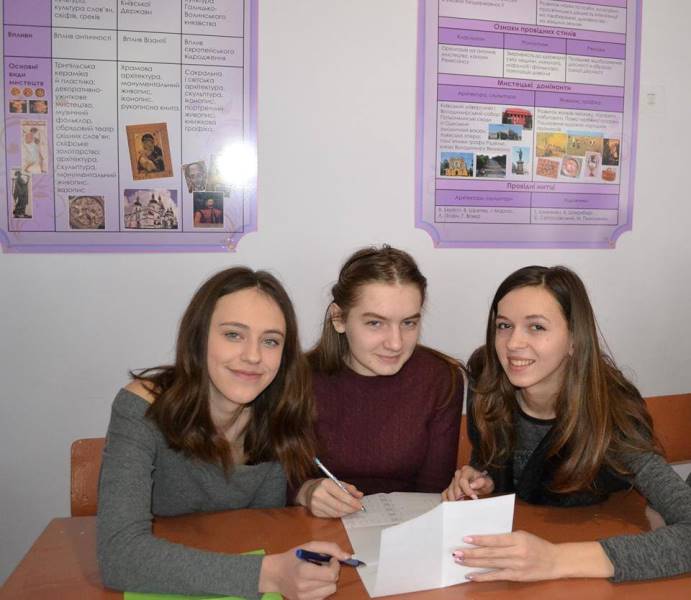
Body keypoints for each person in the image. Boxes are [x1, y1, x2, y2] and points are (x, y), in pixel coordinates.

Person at [97, 267, 350, 598]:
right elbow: (119, 556)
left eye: (270, 341)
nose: (253, 356)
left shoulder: (283, 406)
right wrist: (268, 576)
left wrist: (306, 489)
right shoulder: (143, 408)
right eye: (233, 335)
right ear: (198, 337)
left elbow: (283, 506)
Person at [442, 265, 691, 583]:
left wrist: (555, 560)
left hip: (588, 569)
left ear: (574, 340)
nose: (513, 343)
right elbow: (501, 462)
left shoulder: (612, 415)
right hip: (510, 564)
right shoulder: (487, 380)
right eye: (504, 325)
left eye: (536, 327)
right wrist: (484, 478)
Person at [295, 246, 464, 517]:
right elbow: (275, 482)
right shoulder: (299, 379)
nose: (395, 343)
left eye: (408, 323)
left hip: (410, 525)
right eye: (375, 323)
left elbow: (434, 492)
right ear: (339, 318)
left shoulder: (440, 378)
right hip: (317, 527)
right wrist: (305, 491)